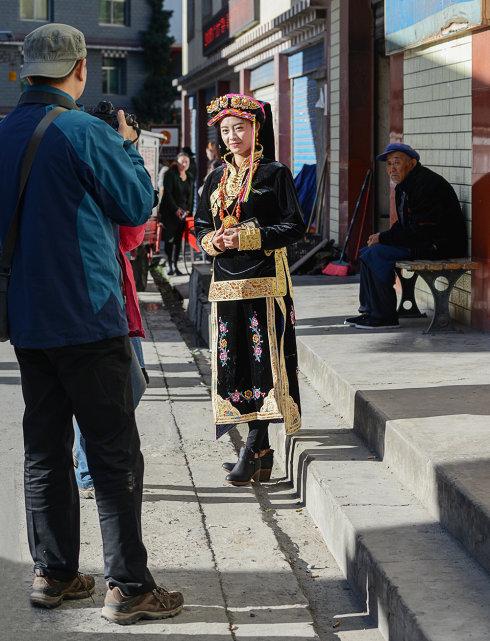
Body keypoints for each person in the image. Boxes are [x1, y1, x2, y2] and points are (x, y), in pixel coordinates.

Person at [0, 24, 183, 623]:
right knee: (112, 454)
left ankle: (54, 574)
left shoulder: (4, 133)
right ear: (79, 68)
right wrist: (129, 145)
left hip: (28, 321)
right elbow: (135, 204)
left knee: (44, 450)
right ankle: (128, 587)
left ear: (27, 72)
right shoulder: (83, 131)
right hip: (88, 315)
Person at [194, 93, 305, 486]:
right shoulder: (213, 178)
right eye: (225, 130)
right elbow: (200, 227)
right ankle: (260, 453)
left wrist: (247, 237)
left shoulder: (275, 173)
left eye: (239, 128)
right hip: (225, 285)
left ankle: (254, 448)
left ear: (256, 130)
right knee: (234, 364)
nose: (232, 136)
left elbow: (295, 227)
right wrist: (214, 242)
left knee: (265, 365)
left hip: (265, 280)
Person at [345, 143, 468, 329]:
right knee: (367, 252)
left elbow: (421, 229)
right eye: (388, 164)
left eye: (397, 162)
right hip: (424, 241)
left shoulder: (426, 185)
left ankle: (384, 317)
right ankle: (370, 311)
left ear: (411, 163)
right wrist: (381, 236)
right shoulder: (407, 184)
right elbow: (405, 225)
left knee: (377, 255)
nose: (391, 168)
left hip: (440, 245)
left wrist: (384, 238)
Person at [74, 223, 150, 499]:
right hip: (93, 300)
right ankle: (88, 470)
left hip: (115, 296)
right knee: (94, 392)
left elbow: (131, 234)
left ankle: (92, 466)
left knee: (131, 387)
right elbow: (132, 232)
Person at [159, 152, 194, 275]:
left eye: (186, 162)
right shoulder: (170, 174)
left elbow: (191, 196)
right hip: (170, 212)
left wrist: (189, 210)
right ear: (177, 162)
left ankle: (175, 264)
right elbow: (167, 193)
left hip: (183, 214)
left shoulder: (189, 176)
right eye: (181, 162)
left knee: (179, 241)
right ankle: (169, 264)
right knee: (169, 239)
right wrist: (176, 209)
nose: (184, 164)